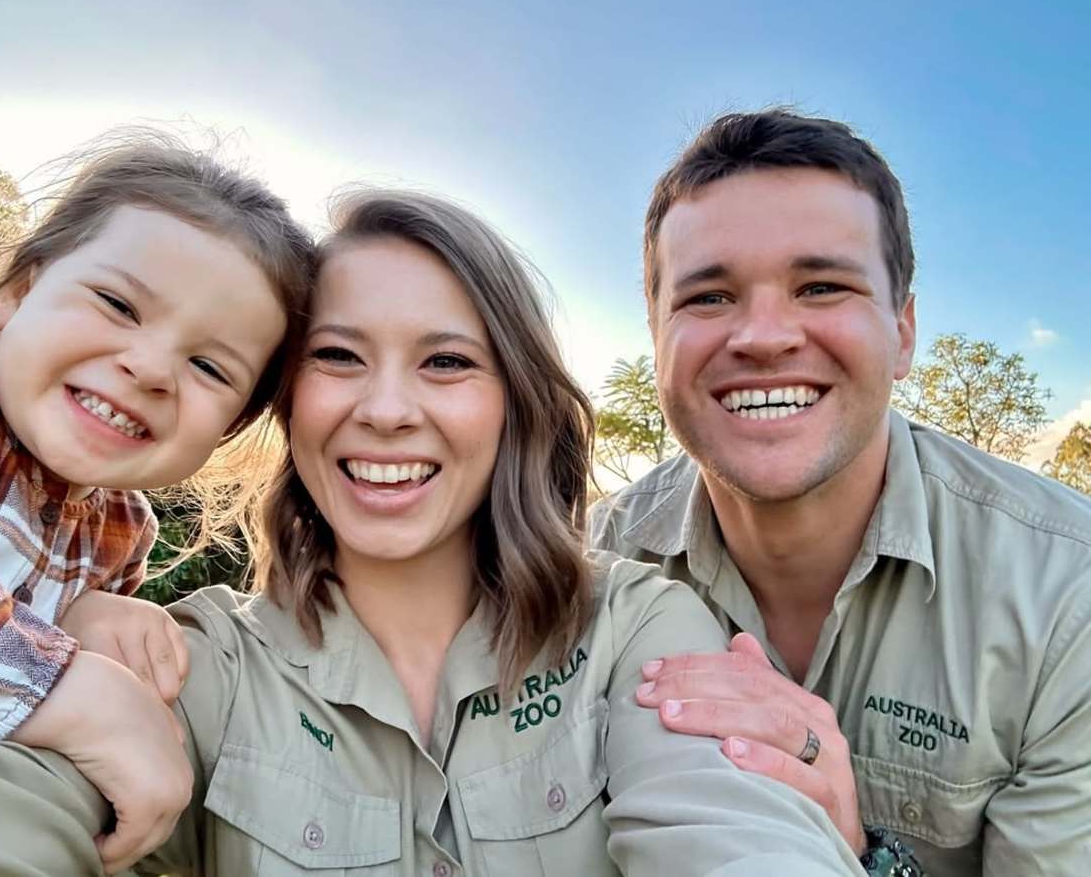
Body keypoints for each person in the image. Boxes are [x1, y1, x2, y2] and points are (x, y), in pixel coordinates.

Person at [116, 188, 861, 876]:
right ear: (286, 397)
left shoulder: (636, 627)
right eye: (338, 357)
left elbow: (732, 830)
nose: (385, 410)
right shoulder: (200, 666)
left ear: (517, 404)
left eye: (446, 362)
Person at [590, 109, 1091, 876]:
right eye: (708, 297)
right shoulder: (583, 572)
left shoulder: (1067, 599)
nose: (762, 335)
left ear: (904, 331)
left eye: (821, 286)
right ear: (655, 336)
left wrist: (864, 858)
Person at [0, 134, 314, 874]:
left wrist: (83, 629)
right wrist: (64, 683)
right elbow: (50, 703)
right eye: (118, 303)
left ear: (229, 428)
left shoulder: (118, 535)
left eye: (210, 366)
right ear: (20, 291)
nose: (149, 368)